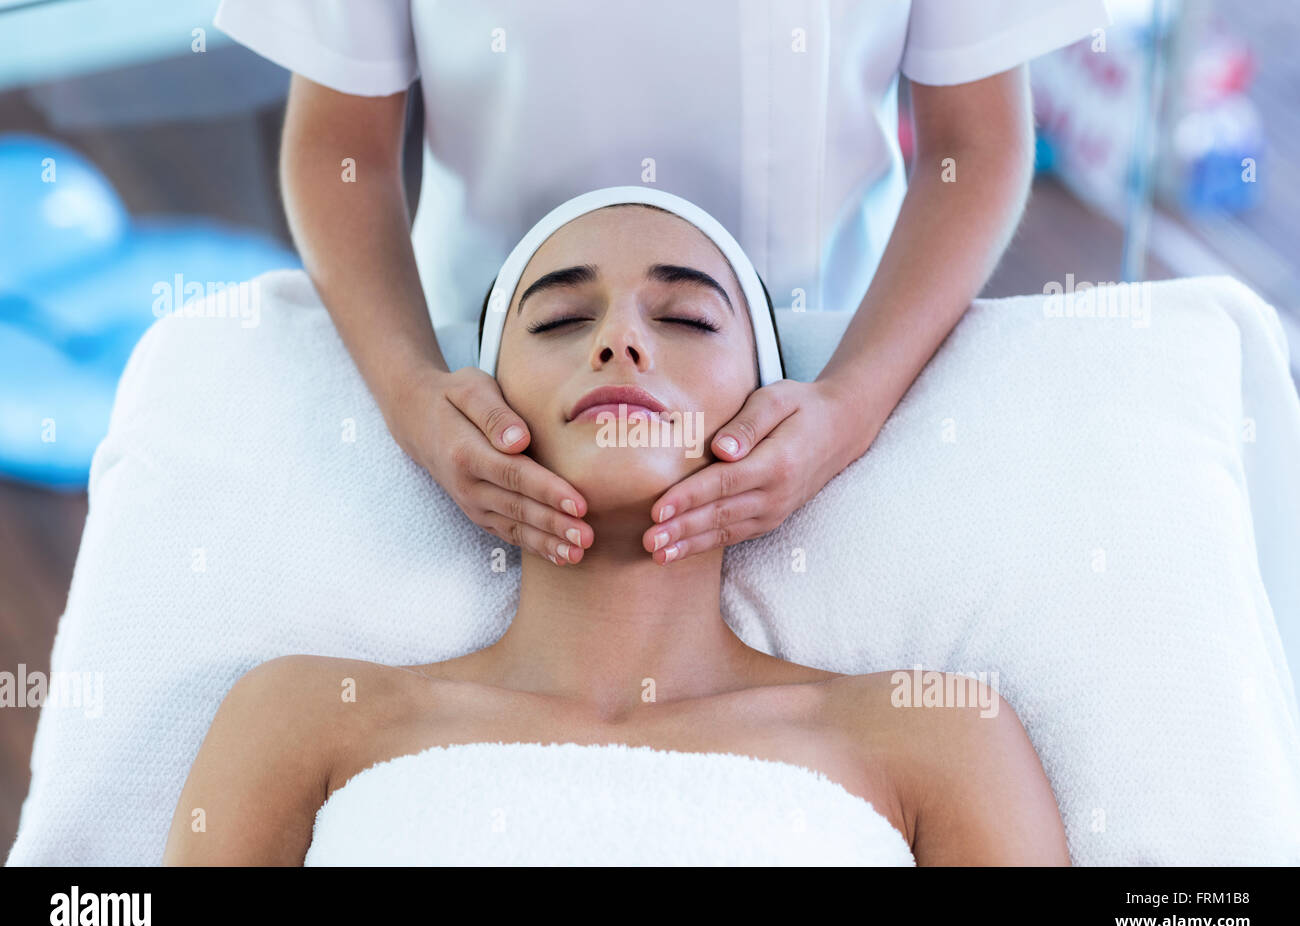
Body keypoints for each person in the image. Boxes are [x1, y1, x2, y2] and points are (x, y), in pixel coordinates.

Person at [161, 193, 1069, 865]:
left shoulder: (936, 737)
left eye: (685, 317)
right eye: (559, 318)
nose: (620, 341)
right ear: (479, 409)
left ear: (766, 415)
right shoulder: (303, 719)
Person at [211, 0, 1110, 568]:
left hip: (819, 362)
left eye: (678, 312)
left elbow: (975, 143)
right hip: (480, 370)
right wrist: (408, 390)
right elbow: (342, 148)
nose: (626, 345)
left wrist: (852, 401)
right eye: (579, 311)